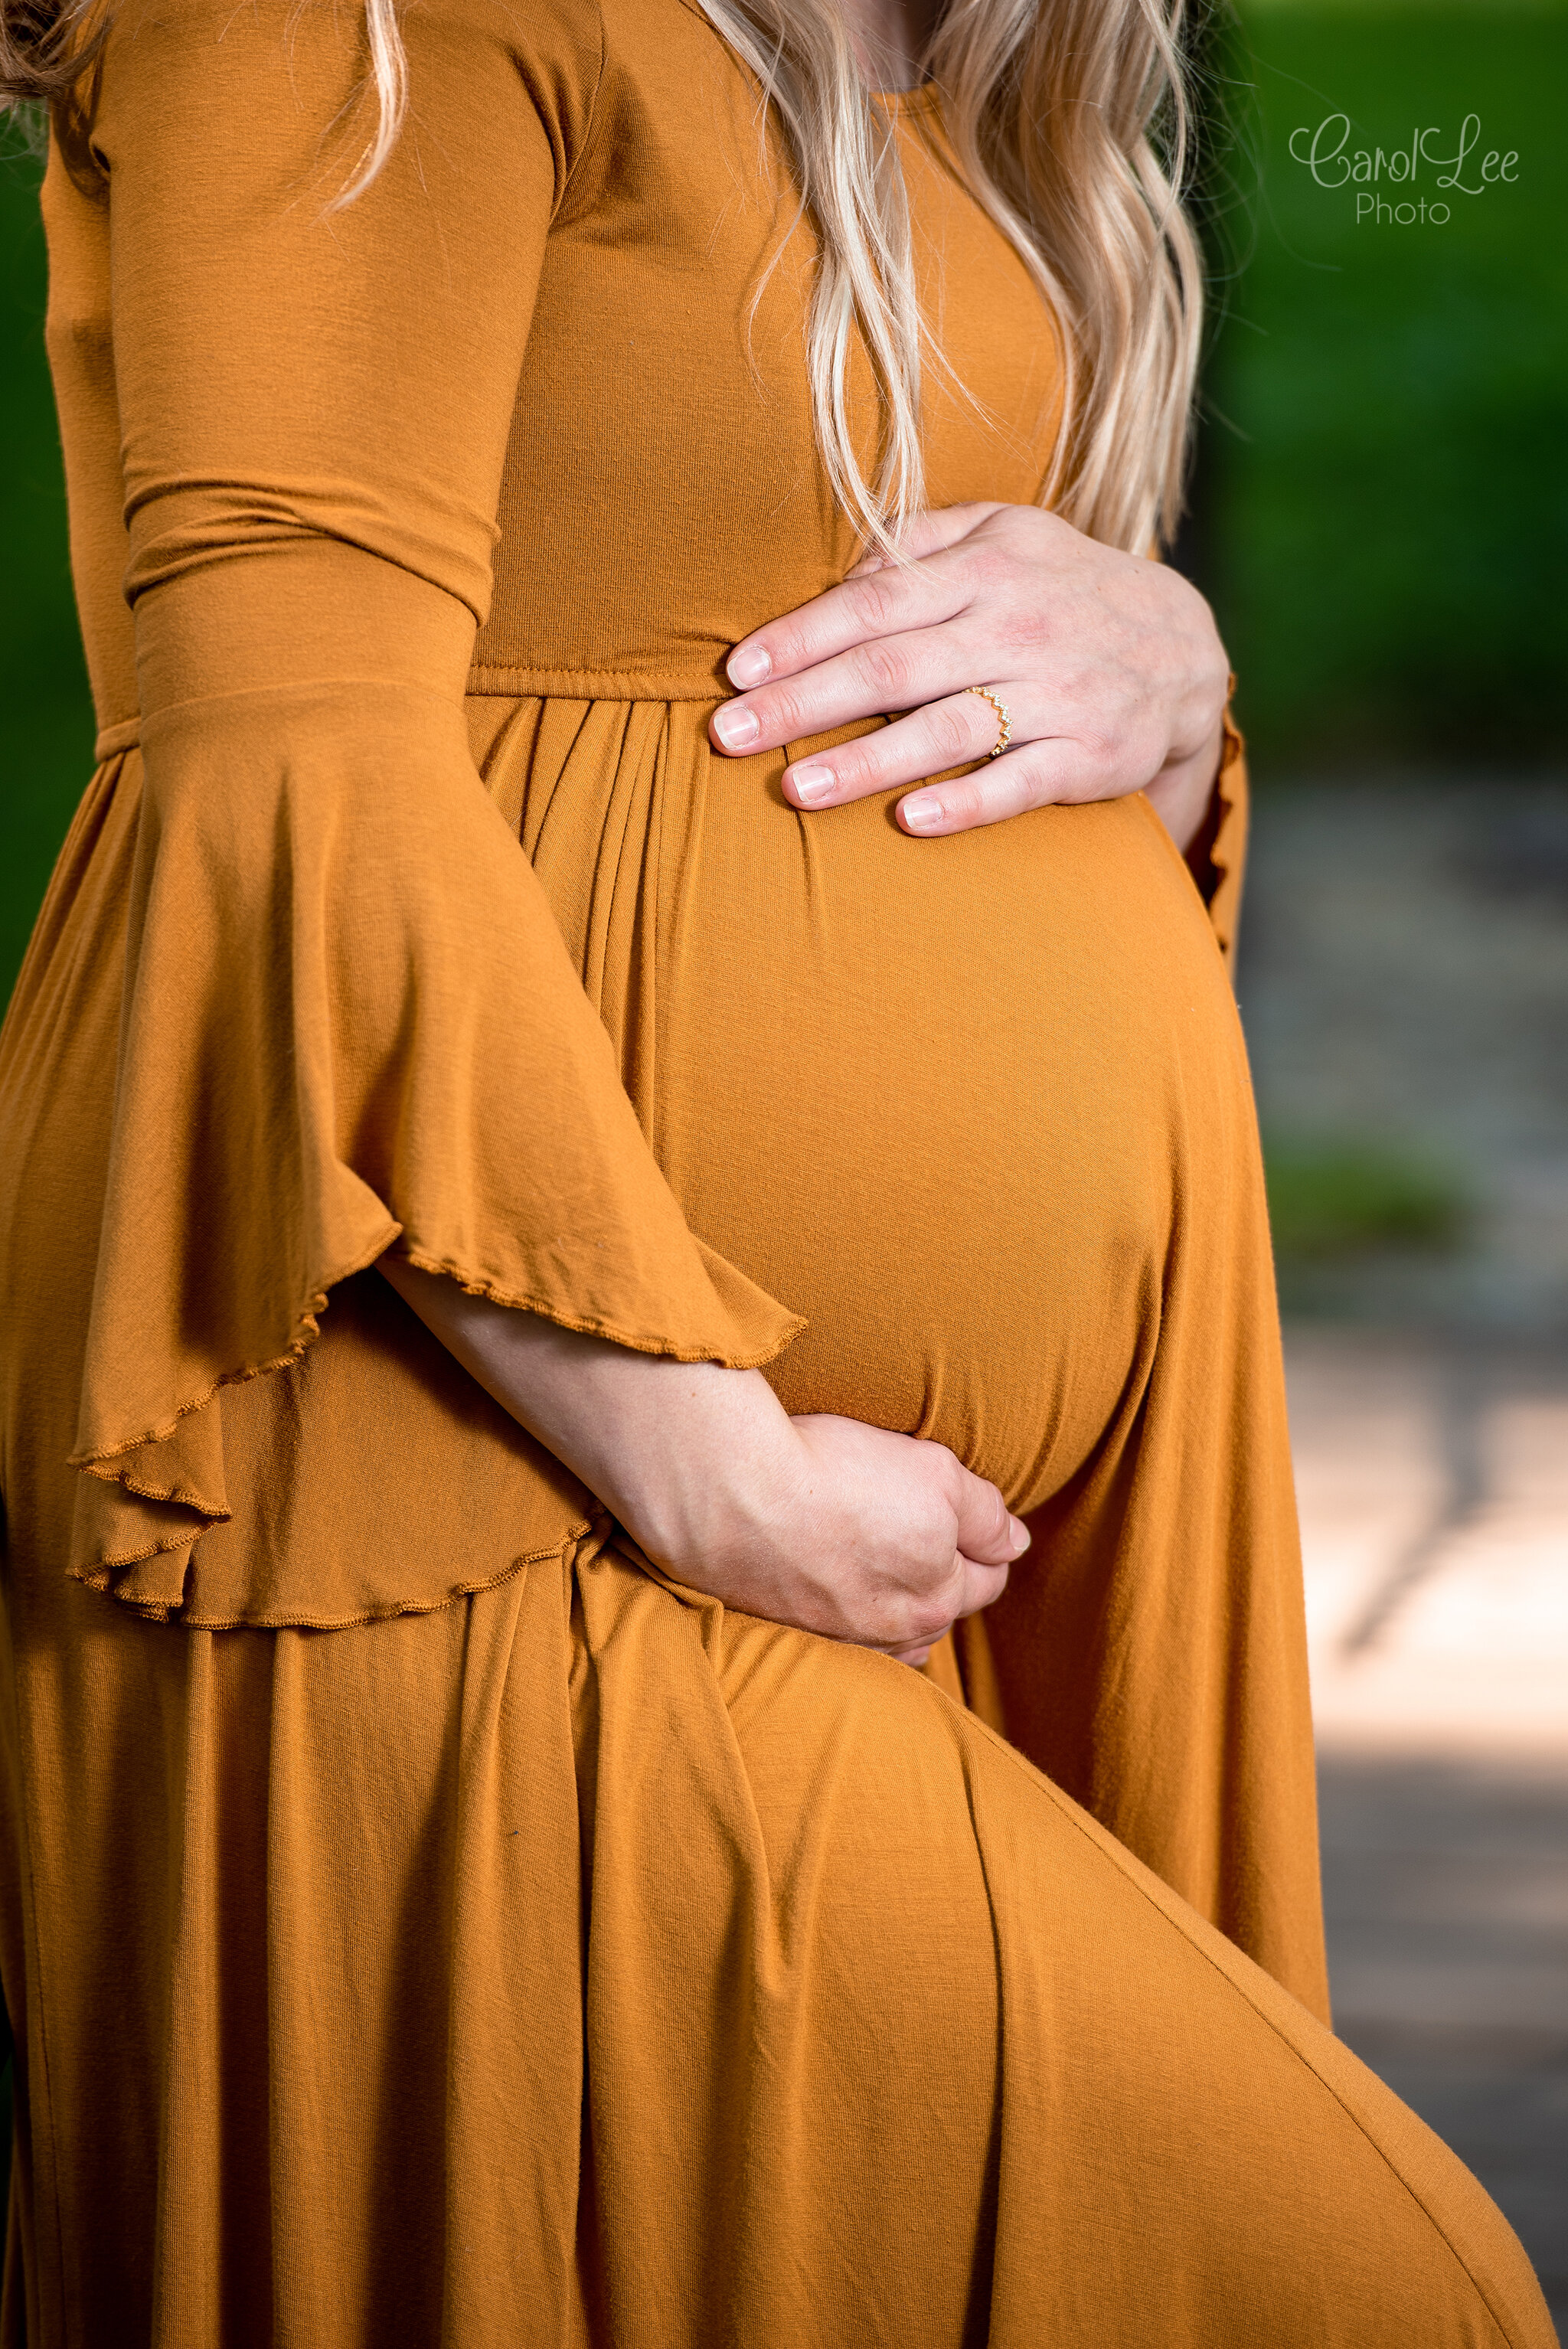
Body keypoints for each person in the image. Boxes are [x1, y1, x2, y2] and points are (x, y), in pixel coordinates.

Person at [0, 0, 1554, 2338]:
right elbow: (278, 758)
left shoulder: (938, 64)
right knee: (1357, 2291)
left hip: (842, 1543)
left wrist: (1165, 681)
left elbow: (892, 716)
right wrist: (701, 1453)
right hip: (462, 1478)